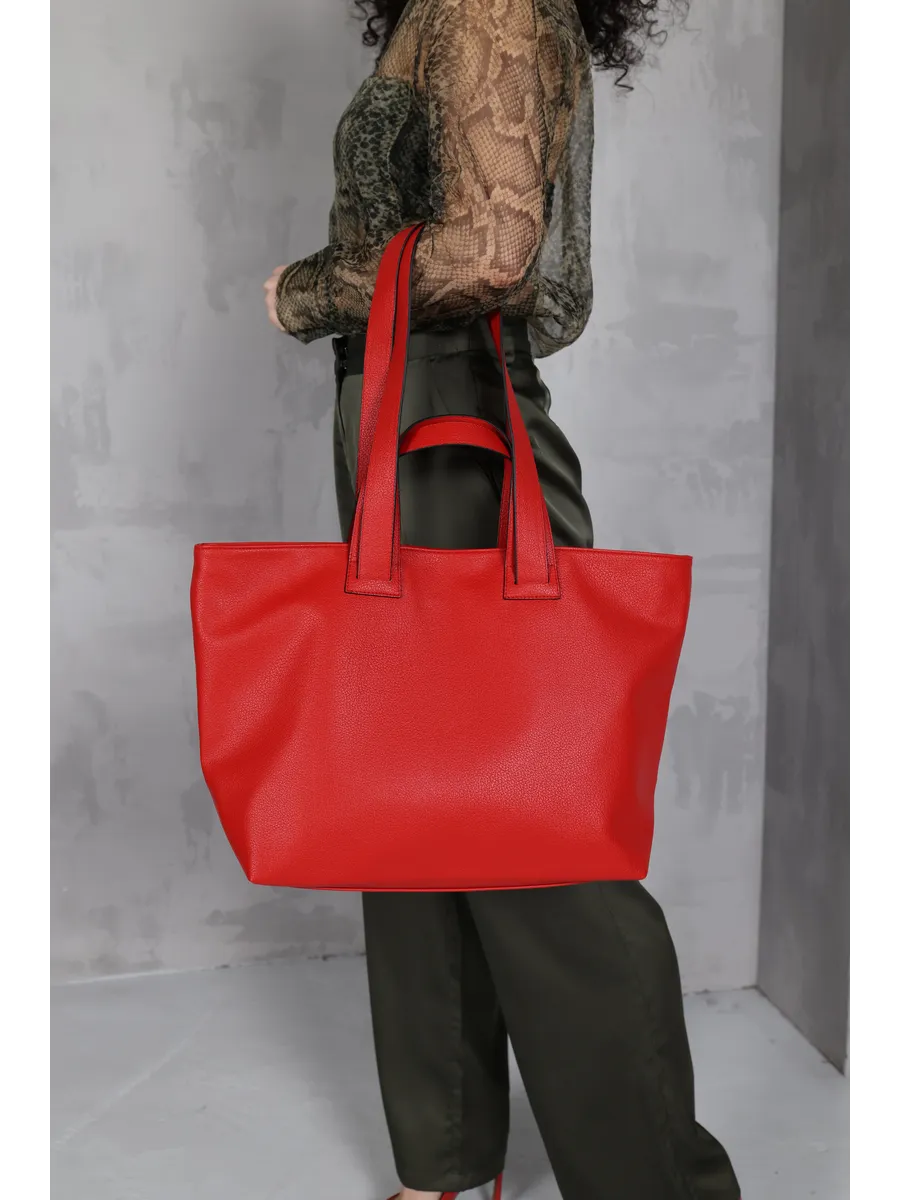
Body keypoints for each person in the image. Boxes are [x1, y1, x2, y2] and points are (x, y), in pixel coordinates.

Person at [263, 1, 741, 1197]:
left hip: (456, 420)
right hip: (401, 412)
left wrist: (303, 291)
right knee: (408, 804)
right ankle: (445, 1158)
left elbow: (490, 250)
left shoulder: (489, 2)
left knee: (539, 830)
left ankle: (656, 1186)